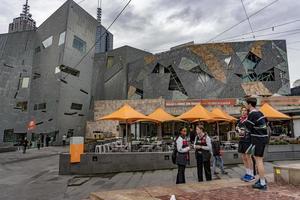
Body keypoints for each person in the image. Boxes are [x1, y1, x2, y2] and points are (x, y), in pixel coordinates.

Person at [245, 97, 269, 190]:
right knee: (257, 159)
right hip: (262, 139)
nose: (245, 105)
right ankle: (261, 179)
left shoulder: (252, 114)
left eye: (246, 104)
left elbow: (248, 128)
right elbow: (266, 122)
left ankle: (262, 183)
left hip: (257, 139)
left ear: (250, 104)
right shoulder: (259, 112)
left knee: (258, 161)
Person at [236, 106, 255, 182]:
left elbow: (251, 129)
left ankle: (252, 175)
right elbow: (237, 129)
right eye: (242, 111)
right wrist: (237, 129)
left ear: (247, 112)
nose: (243, 112)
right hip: (241, 140)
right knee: (243, 157)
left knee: (248, 157)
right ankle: (247, 173)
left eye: (245, 110)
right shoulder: (239, 120)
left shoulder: (249, 120)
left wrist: (245, 131)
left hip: (248, 140)